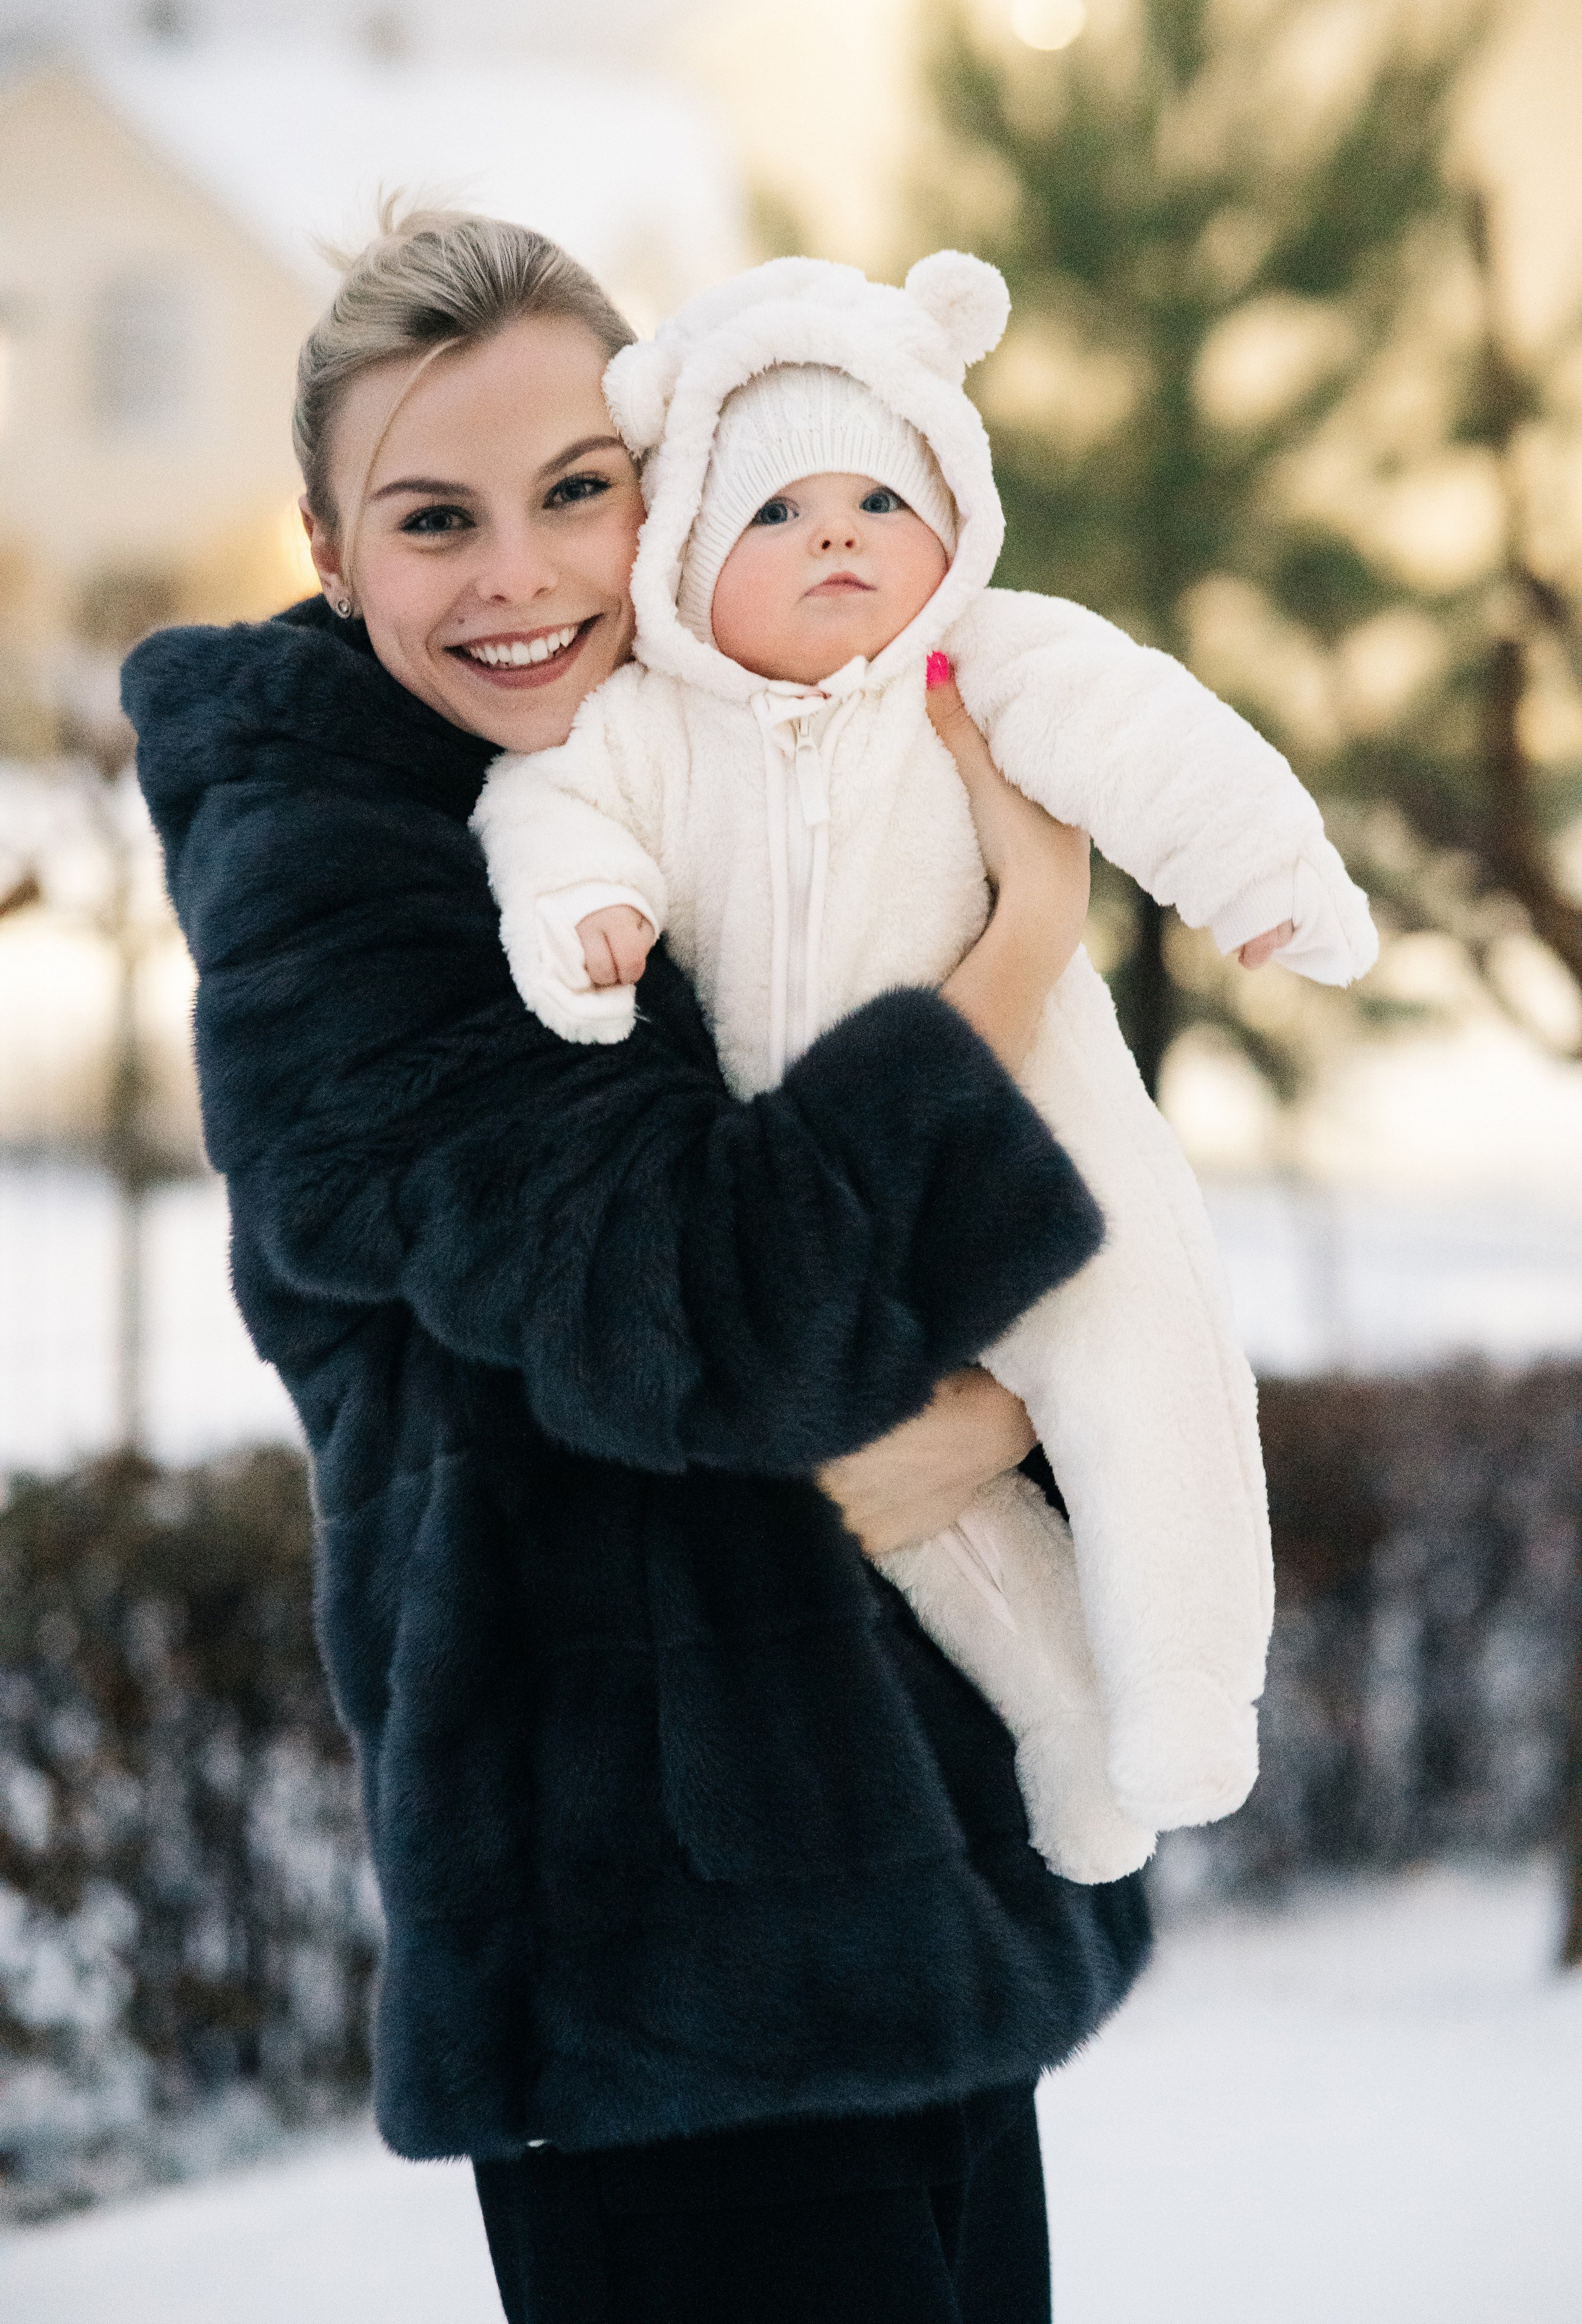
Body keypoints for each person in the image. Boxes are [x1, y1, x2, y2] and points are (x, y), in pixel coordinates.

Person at [124, 207, 1150, 2324]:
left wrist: (1005, 1411)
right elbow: (731, 1310)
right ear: (332, 553)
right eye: (435, 518)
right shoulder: (340, 895)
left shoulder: (713, 770)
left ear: (659, 490)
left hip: (906, 1889)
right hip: (652, 1984)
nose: (517, 576)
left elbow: (1001, 1285)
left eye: (574, 491)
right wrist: (1025, 940)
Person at [470, 252, 1379, 1886]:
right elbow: (546, 811)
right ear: (683, 562)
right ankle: (1072, 1725)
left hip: (1041, 1131)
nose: (838, 536)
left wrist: (1262, 876)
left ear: (954, 519)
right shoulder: (654, 727)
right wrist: (585, 912)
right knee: (933, 1503)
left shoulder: (995, 663)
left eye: (882, 501)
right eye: (776, 512)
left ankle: (1186, 1690)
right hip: (821, 1187)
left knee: (1142, 1356)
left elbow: (1155, 740)